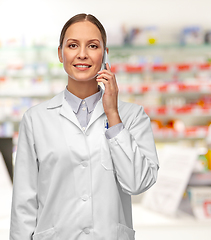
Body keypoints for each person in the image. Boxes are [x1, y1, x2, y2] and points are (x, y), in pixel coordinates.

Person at [10, 13, 159, 240]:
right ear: (60, 54)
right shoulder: (35, 119)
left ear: (105, 54)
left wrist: (113, 115)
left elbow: (138, 183)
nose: (82, 54)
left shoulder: (132, 116)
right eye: (72, 45)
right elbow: (24, 202)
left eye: (92, 45)